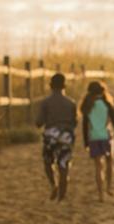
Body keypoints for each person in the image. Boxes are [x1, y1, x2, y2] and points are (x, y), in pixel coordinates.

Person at [80, 80, 114, 201]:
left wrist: (86, 142)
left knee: (98, 166)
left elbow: (84, 125)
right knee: (109, 162)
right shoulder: (107, 104)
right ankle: (108, 187)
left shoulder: (87, 106)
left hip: (94, 137)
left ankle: (100, 194)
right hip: (106, 137)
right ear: (102, 91)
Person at [36, 73, 78, 201]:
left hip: (50, 136)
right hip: (66, 136)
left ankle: (54, 184)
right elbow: (74, 122)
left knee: (48, 162)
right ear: (64, 86)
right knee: (63, 164)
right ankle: (62, 196)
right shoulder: (71, 103)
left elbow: (39, 122)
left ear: (51, 86)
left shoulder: (45, 102)